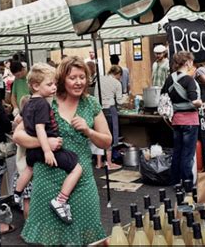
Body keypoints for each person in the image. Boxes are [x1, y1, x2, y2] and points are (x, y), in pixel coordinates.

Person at [13, 56, 112, 245]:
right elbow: (18, 136)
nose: (78, 82)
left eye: (82, 77)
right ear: (62, 79)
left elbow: (107, 142)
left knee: (87, 234)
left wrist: (88, 131)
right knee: (51, 240)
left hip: (81, 182)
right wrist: (44, 144)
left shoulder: (90, 104)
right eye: (72, 77)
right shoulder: (47, 101)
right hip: (47, 180)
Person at [14, 63, 82, 224]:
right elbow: (40, 128)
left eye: (54, 84)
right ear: (36, 86)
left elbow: (18, 120)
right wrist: (47, 150)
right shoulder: (43, 104)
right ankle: (61, 200)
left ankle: (17, 193)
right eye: (50, 84)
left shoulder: (29, 102)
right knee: (77, 168)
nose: (53, 88)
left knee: (29, 169)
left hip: (32, 153)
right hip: (47, 147)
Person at [161, 51, 202, 185]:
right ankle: (187, 183)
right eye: (191, 61)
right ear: (187, 62)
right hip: (190, 120)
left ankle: (175, 181)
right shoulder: (189, 80)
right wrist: (200, 102)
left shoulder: (169, 79)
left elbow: (163, 96)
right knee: (188, 155)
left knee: (177, 152)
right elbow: (193, 99)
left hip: (176, 120)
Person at [93, 65, 123, 170]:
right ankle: (109, 163)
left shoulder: (99, 79)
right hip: (110, 109)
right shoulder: (117, 83)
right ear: (118, 74)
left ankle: (99, 163)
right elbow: (119, 101)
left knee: (99, 134)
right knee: (109, 135)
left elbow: (95, 95)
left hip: (98, 109)